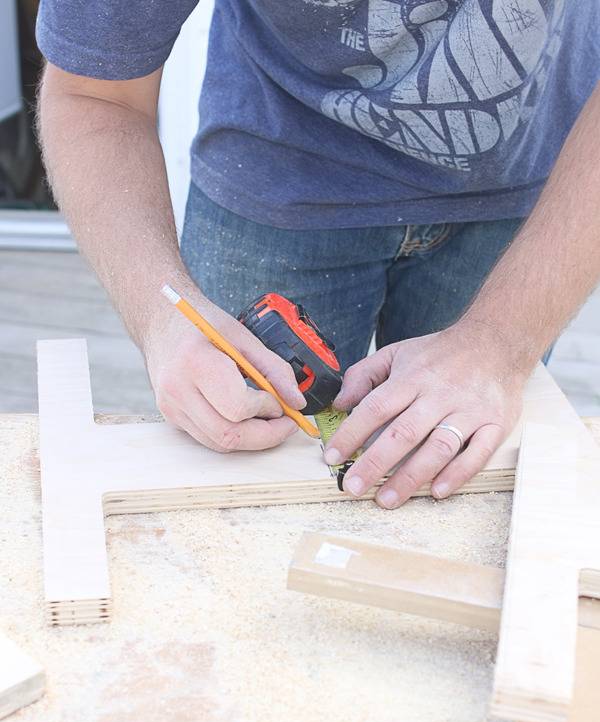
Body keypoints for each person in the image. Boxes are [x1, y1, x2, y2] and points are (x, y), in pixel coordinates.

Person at [36, 1, 600, 509]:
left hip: (534, 191)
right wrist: (161, 314)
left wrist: (499, 345)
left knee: (469, 495)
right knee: (243, 479)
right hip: (275, 183)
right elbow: (94, 96)